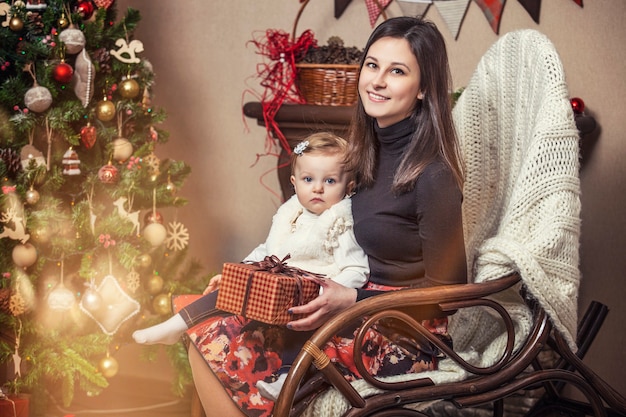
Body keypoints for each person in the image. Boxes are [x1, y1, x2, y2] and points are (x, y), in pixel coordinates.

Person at [184, 16, 467, 417]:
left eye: (397, 71)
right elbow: (320, 234)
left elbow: (449, 295)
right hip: (351, 310)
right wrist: (253, 276)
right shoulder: (362, 155)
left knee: (228, 342)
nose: (378, 81)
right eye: (372, 65)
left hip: (401, 332)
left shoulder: (433, 174)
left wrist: (352, 299)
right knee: (209, 325)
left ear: (423, 89)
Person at [132, 132, 369, 399]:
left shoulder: (340, 221)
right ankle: (176, 325)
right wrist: (243, 270)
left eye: (329, 181)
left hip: (309, 297)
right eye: (308, 179)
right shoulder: (289, 214)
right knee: (225, 293)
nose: (317, 188)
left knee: (301, 330)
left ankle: (288, 379)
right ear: (294, 182)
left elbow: (356, 269)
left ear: (348, 186)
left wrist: (329, 294)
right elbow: (268, 250)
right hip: (276, 285)